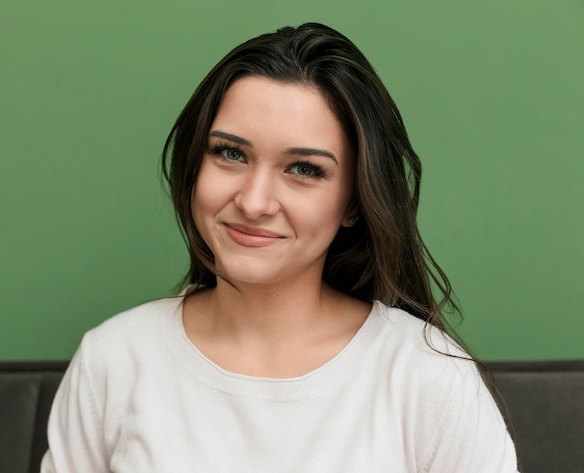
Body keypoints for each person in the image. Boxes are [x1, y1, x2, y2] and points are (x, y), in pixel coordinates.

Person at [41, 23, 519, 472]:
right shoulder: (113, 359)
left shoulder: (429, 378)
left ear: (354, 200)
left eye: (305, 169)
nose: (252, 202)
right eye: (230, 153)